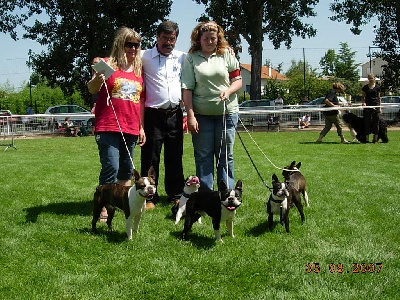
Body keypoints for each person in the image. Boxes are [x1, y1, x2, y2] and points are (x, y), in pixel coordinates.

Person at [87, 27, 146, 218]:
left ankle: (124, 203)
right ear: (120, 45)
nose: (133, 49)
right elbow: (91, 88)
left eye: (136, 45)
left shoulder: (139, 70)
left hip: (130, 126)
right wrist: (98, 79)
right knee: (110, 166)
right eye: (129, 44)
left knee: (126, 170)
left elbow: (140, 101)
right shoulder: (107, 64)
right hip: (108, 125)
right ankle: (103, 206)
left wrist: (141, 127)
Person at [181, 21, 243, 191]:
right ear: (198, 39)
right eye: (206, 38)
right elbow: (187, 89)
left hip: (227, 113)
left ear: (218, 39)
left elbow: (237, 81)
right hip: (201, 115)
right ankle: (206, 194)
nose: (209, 41)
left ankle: (227, 193)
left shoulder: (227, 55)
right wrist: (190, 116)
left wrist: (229, 91)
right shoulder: (191, 58)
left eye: (213, 38)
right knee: (203, 156)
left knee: (225, 156)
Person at [140, 20, 186, 209]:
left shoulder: (182, 57)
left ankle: (175, 194)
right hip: (153, 115)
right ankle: (149, 197)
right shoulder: (144, 56)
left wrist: (228, 51)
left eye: (172, 39)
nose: (169, 43)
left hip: (175, 114)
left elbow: (205, 53)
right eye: (165, 38)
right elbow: (122, 56)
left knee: (175, 156)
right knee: (151, 157)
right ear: (157, 37)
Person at [361, 73, 381, 143]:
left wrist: (379, 107)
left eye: (371, 78)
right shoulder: (365, 87)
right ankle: (367, 139)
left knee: (376, 122)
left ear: (374, 78)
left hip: (376, 106)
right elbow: (363, 97)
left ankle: (375, 139)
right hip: (367, 106)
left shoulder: (377, 87)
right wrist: (363, 102)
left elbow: (379, 98)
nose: (370, 79)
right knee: (367, 122)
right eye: (369, 78)